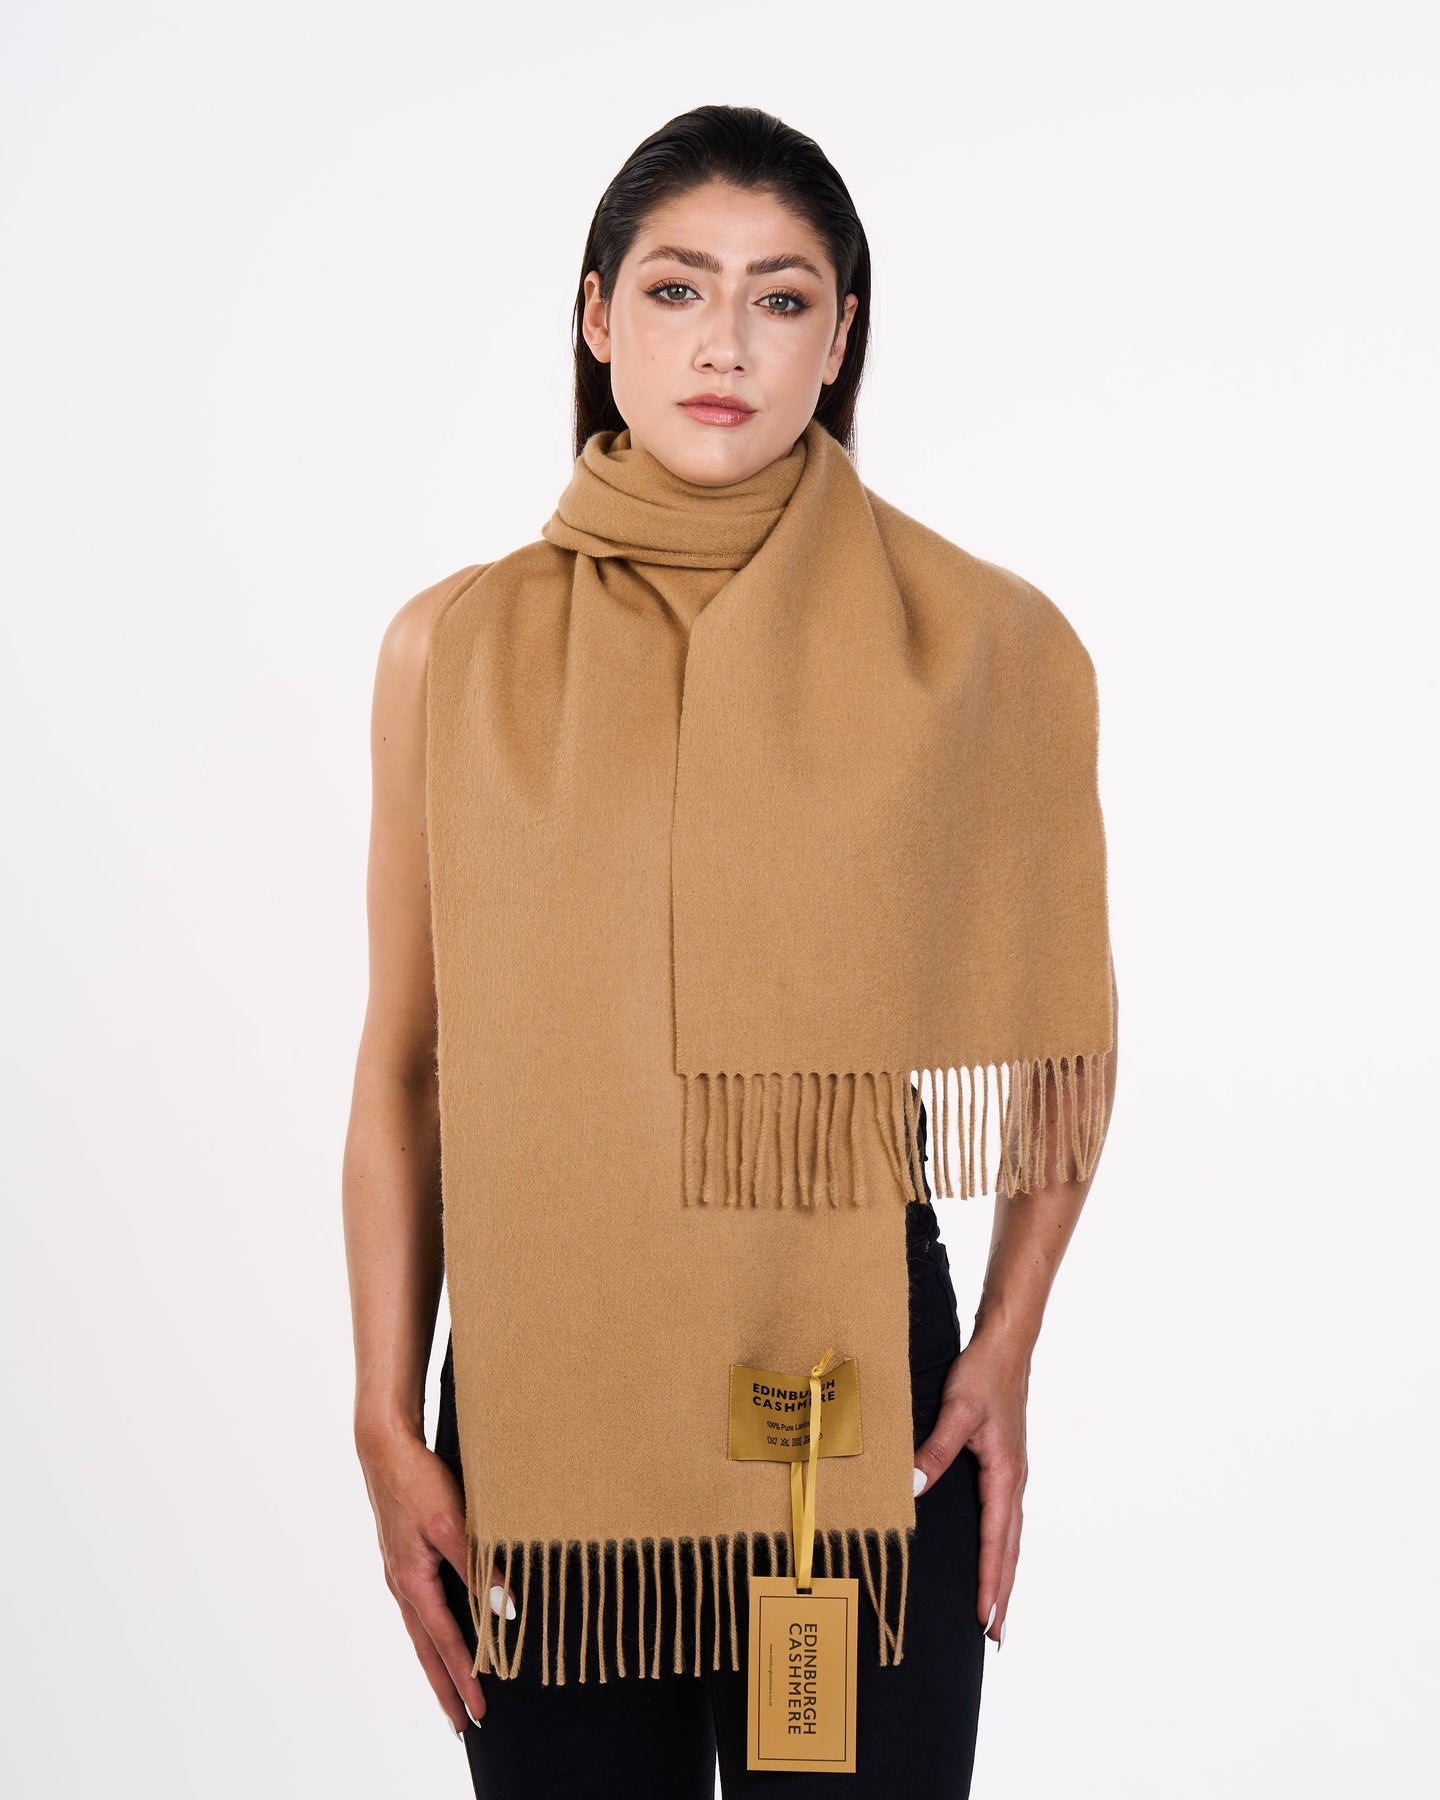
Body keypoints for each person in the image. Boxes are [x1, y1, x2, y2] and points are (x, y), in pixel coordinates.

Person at [343, 104, 1118, 1798]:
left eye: (782, 299)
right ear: (596, 315)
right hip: (549, 1414)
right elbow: (406, 1065)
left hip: (854, 1407)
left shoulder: (980, 649)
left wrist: (1004, 1349)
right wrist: (385, 1420)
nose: (726, 344)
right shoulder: (450, 650)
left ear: (839, 342)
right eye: (679, 288)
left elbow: (1058, 1040)